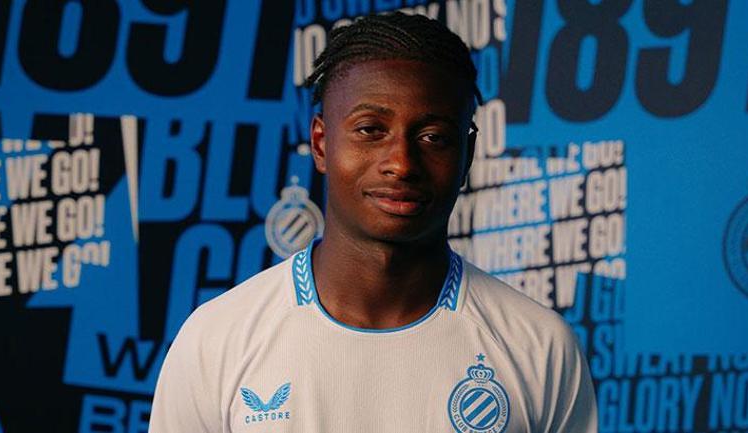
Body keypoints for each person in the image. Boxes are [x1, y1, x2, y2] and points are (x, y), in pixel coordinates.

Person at [150, 12, 597, 433]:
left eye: (433, 137)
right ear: (321, 143)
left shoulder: (539, 348)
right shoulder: (216, 339)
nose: (401, 163)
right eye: (370, 130)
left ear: (467, 155)